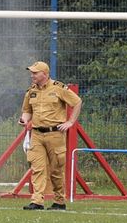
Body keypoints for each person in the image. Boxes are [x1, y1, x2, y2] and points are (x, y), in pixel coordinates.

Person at [18, 60, 81, 210]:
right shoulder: (31, 91)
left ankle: (59, 201)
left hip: (55, 134)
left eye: (35, 73)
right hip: (37, 134)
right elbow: (27, 111)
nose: (32, 75)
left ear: (44, 74)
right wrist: (24, 119)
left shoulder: (58, 88)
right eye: (31, 72)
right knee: (37, 167)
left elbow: (77, 102)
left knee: (56, 170)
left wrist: (71, 122)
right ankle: (37, 201)